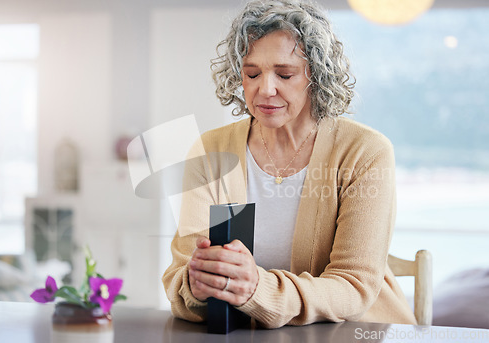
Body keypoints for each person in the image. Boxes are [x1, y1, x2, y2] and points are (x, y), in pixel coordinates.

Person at [162, 0, 416, 328]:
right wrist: (197, 286)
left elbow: (353, 288)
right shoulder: (211, 150)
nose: (265, 89)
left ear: (317, 75)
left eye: (285, 74)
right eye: (252, 73)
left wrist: (258, 288)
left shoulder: (364, 152)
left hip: (355, 332)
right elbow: (181, 279)